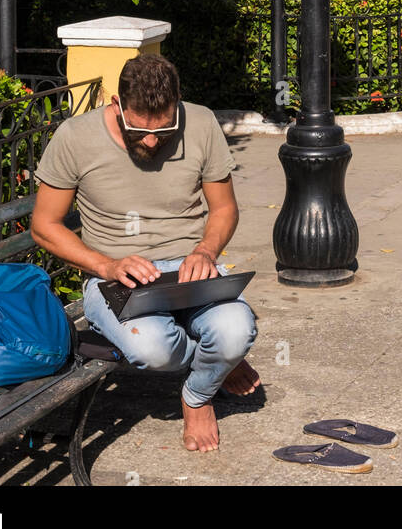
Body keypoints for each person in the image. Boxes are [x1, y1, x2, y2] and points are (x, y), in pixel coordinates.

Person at [31, 53, 259, 455]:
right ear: (116, 105)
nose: (152, 141)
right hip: (113, 277)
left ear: (178, 103)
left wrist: (206, 251)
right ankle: (217, 364)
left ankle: (197, 395)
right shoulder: (75, 137)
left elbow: (224, 208)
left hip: (192, 269)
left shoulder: (202, 122)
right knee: (153, 351)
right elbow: (44, 226)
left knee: (237, 331)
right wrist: (107, 264)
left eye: (165, 129)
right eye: (139, 130)